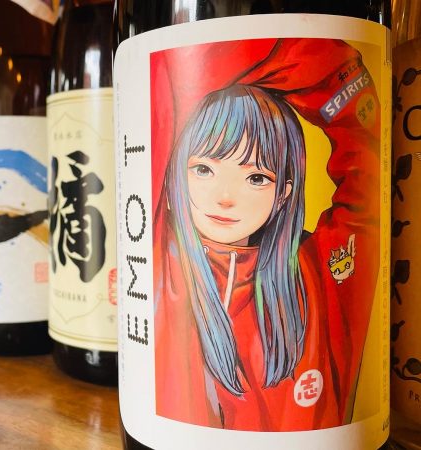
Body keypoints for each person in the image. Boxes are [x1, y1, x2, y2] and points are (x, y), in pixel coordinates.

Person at [153, 38, 381, 432]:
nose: (225, 197)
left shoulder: (321, 271)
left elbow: (369, 150)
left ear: (284, 193)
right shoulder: (160, 260)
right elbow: (165, 79)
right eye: (204, 169)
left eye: (257, 177)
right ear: (174, 172)